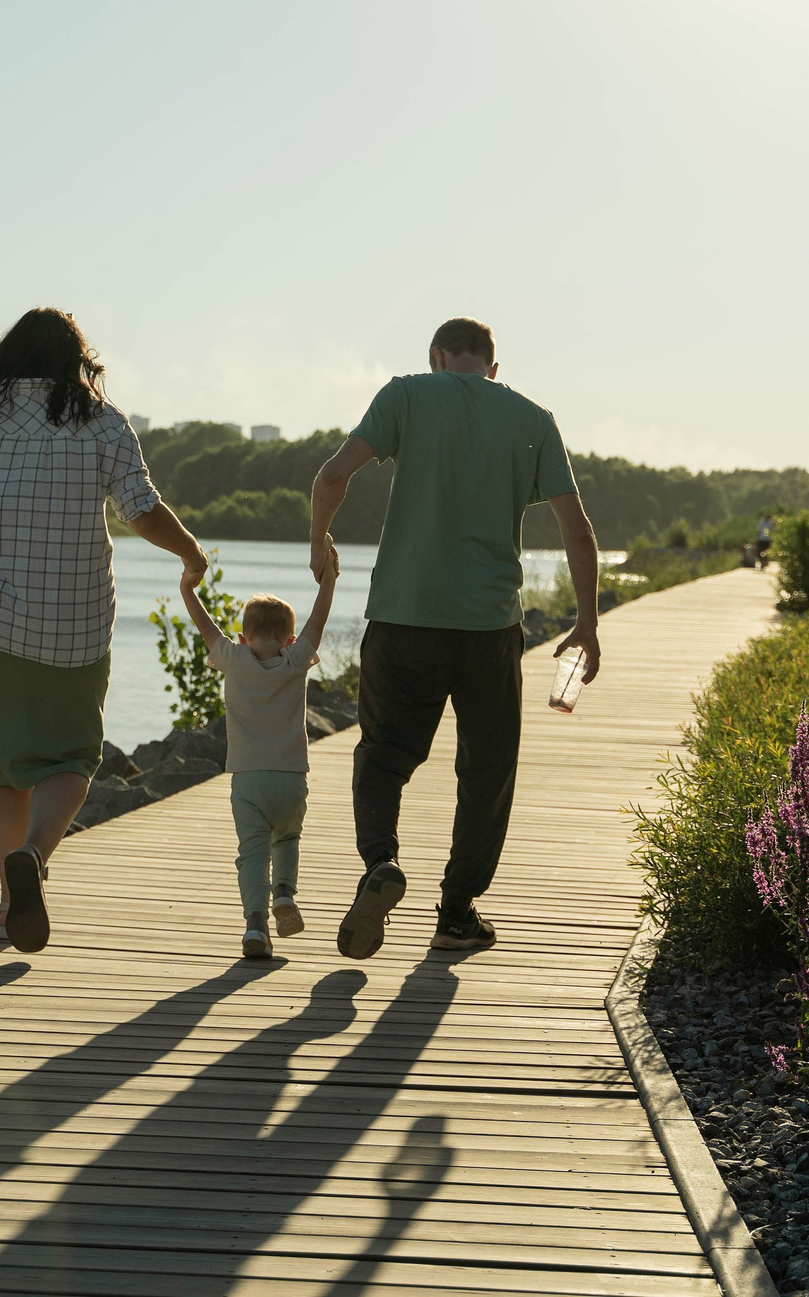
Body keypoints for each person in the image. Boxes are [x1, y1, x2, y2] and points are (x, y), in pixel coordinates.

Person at [0, 307, 208, 954]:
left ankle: (6, 903)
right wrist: (191, 553)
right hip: (76, 624)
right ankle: (35, 861)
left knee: (6, 766)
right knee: (72, 758)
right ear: (77, 359)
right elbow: (142, 509)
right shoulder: (103, 423)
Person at [308, 316, 601, 957]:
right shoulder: (532, 417)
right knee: (487, 769)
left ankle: (380, 864)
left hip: (402, 615)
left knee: (384, 755)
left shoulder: (406, 394)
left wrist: (319, 539)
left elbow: (332, 476)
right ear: (493, 368)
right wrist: (586, 622)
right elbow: (578, 532)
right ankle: (457, 912)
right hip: (488, 627)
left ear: (437, 357)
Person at [175, 566, 338, 959]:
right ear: (291, 638)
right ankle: (284, 892)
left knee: (253, 852)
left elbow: (205, 625)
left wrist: (188, 587)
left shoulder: (233, 658)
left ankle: (255, 925)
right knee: (288, 838)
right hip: (291, 778)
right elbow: (319, 619)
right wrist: (329, 580)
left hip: (248, 779)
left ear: (244, 638)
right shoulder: (296, 658)